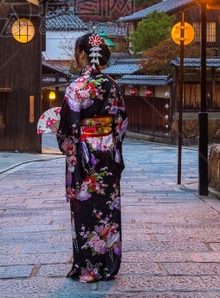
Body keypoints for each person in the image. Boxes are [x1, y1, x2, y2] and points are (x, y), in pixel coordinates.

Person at [56, 32, 128, 282]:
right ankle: (108, 265)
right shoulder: (114, 86)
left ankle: (86, 267)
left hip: (84, 157)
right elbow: (121, 125)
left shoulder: (76, 87)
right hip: (107, 154)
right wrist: (108, 144)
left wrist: (70, 148)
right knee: (107, 209)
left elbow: (67, 130)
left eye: (77, 52)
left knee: (85, 210)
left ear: (84, 54)